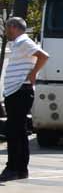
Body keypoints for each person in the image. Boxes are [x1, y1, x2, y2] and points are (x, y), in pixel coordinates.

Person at [2, 17, 49, 182]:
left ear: (13, 27)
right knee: (19, 132)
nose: (6, 31)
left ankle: (12, 168)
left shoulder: (23, 41)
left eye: (7, 28)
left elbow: (44, 56)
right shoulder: (18, 44)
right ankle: (21, 169)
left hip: (20, 91)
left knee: (14, 132)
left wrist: (33, 73)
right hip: (16, 92)